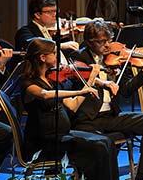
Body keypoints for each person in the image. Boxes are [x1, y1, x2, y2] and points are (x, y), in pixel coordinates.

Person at [66, 20, 143, 180]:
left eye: (109, 40)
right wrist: (102, 78)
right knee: (105, 144)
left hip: (111, 116)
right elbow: (80, 82)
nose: (107, 46)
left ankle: (142, 175)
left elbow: (126, 91)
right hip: (87, 120)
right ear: (89, 42)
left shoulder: (115, 60)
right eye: (101, 41)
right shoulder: (79, 57)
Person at [21, 37, 117, 179]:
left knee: (107, 142)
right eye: (54, 53)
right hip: (45, 142)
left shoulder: (51, 79)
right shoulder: (28, 83)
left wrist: (90, 81)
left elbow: (73, 105)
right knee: (98, 147)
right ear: (42, 57)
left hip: (63, 136)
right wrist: (79, 91)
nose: (57, 56)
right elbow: (45, 95)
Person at [15, 0, 80, 64]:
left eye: (55, 11)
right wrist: (60, 46)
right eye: (49, 12)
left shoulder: (56, 33)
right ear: (37, 15)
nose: (55, 15)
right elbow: (34, 45)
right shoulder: (25, 31)